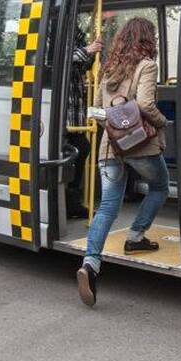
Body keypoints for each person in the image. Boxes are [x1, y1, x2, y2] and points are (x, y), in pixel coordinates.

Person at [76, 17, 168, 307]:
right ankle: (136, 236)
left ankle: (90, 265)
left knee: (107, 207)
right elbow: (145, 105)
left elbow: (104, 111)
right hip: (141, 146)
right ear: (147, 39)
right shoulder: (147, 66)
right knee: (160, 187)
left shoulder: (109, 69)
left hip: (111, 146)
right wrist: (164, 122)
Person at [65, 27, 102, 219]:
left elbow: (83, 65)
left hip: (75, 115)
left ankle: (71, 202)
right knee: (77, 151)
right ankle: (68, 202)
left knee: (82, 149)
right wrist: (87, 49)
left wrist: (93, 52)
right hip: (63, 115)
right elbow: (60, 61)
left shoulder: (75, 39)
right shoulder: (58, 36)